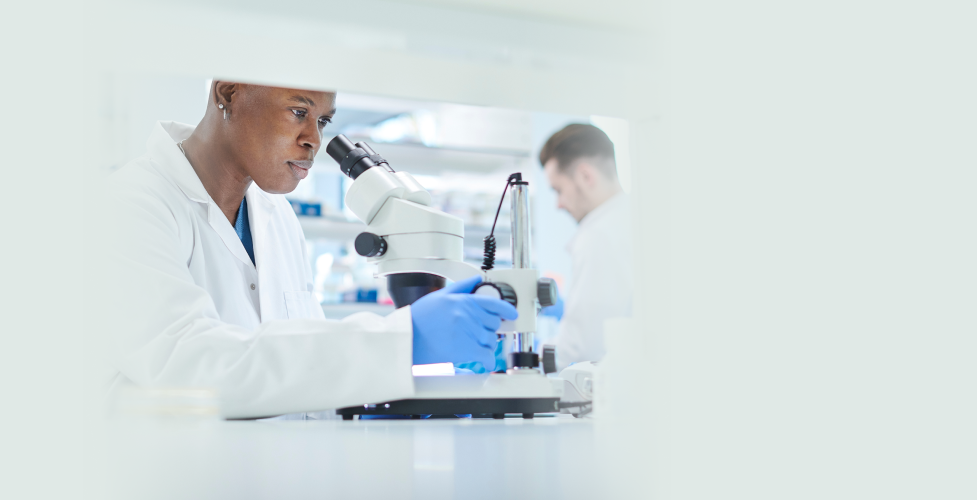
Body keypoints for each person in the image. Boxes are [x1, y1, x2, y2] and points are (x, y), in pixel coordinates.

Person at [102, 82, 516, 419]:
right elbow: (188, 367)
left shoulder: (277, 216)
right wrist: (402, 341)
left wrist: (374, 393)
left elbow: (301, 371)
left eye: (323, 121)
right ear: (228, 94)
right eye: (299, 112)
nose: (314, 140)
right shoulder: (129, 204)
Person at [538, 124, 633, 367]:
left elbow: (582, 348)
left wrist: (522, 361)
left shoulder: (599, 235)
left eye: (558, 190)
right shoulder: (632, 217)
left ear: (585, 176)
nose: (558, 204)